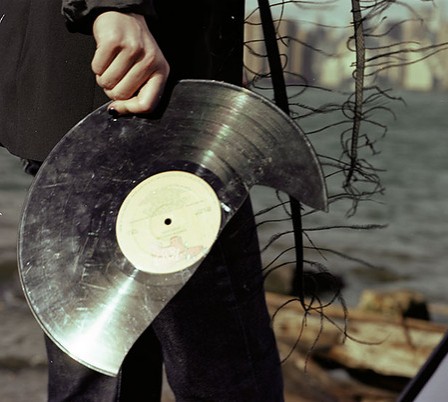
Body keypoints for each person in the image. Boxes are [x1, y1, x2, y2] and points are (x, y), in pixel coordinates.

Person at [0, 0, 284, 400]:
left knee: (98, 375)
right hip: (152, 98)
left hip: (76, 91)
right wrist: (113, 6)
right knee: (226, 378)